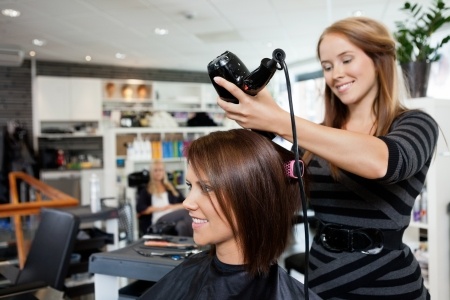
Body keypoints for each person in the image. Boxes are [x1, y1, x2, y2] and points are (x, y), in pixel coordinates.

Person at [214, 17, 438, 299]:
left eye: (346, 60)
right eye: (327, 67)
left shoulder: (415, 124)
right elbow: (282, 185)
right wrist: (263, 128)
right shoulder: (318, 136)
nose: (336, 74)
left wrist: (280, 120)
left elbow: (384, 162)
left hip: (388, 284)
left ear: (380, 59)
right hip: (321, 279)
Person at [139, 129, 320, 299]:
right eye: (189, 186)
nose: (187, 203)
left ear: (251, 198)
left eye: (206, 188)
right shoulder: (191, 271)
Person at [136, 159, 192, 237]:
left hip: (173, 219)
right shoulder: (146, 190)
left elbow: (185, 203)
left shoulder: (170, 188)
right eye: (155, 170)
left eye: (160, 170)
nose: (158, 173)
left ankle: (185, 247)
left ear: (164, 172)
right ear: (152, 173)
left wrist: (172, 207)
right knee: (185, 213)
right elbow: (140, 209)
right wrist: (161, 208)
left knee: (181, 225)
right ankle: (198, 242)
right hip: (158, 221)